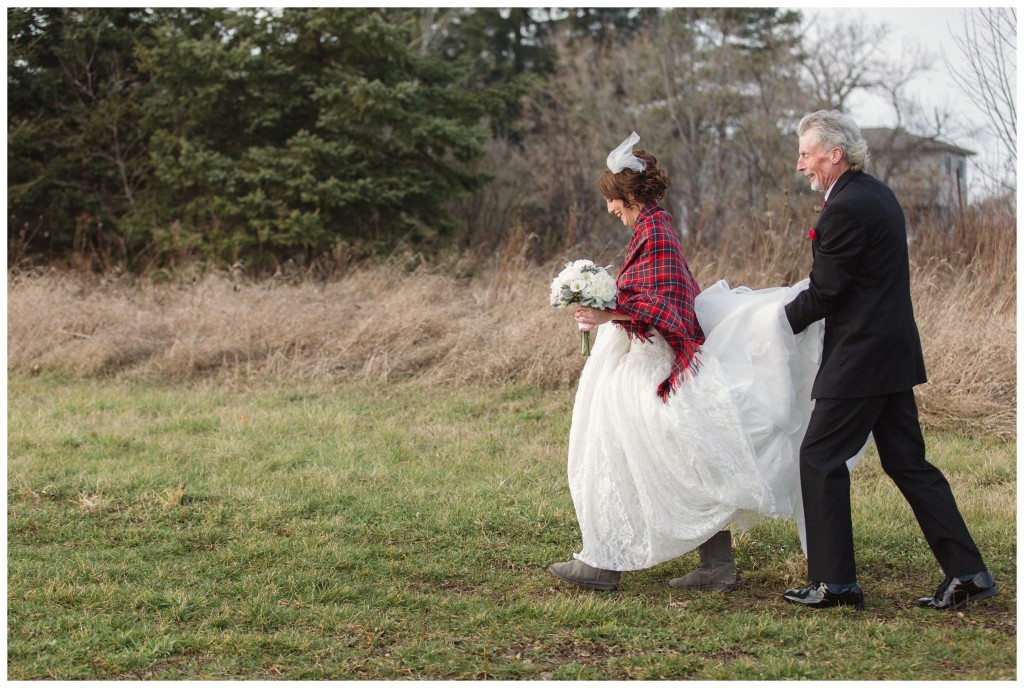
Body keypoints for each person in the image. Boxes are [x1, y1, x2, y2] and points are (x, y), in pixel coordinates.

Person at [548, 132, 832, 592]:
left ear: (630, 198)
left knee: (642, 448)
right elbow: (646, 294)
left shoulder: (656, 231)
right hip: (635, 355)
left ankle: (609, 564)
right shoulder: (649, 227)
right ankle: (686, 564)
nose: (609, 209)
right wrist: (606, 304)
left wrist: (608, 310)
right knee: (641, 448)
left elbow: (669, 307)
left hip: (656, 363)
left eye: (612, 200)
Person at [781, 110, 998, 611]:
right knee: (908, 463)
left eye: (806, 154)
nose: (800, 165)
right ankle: (969, 571)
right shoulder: (875, 193)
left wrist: (769, 325)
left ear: (834, 154)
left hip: (861, 356)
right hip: (891, 352)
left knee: (819, 458)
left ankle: (836, 583)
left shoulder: (846, 207)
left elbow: (827, 292)